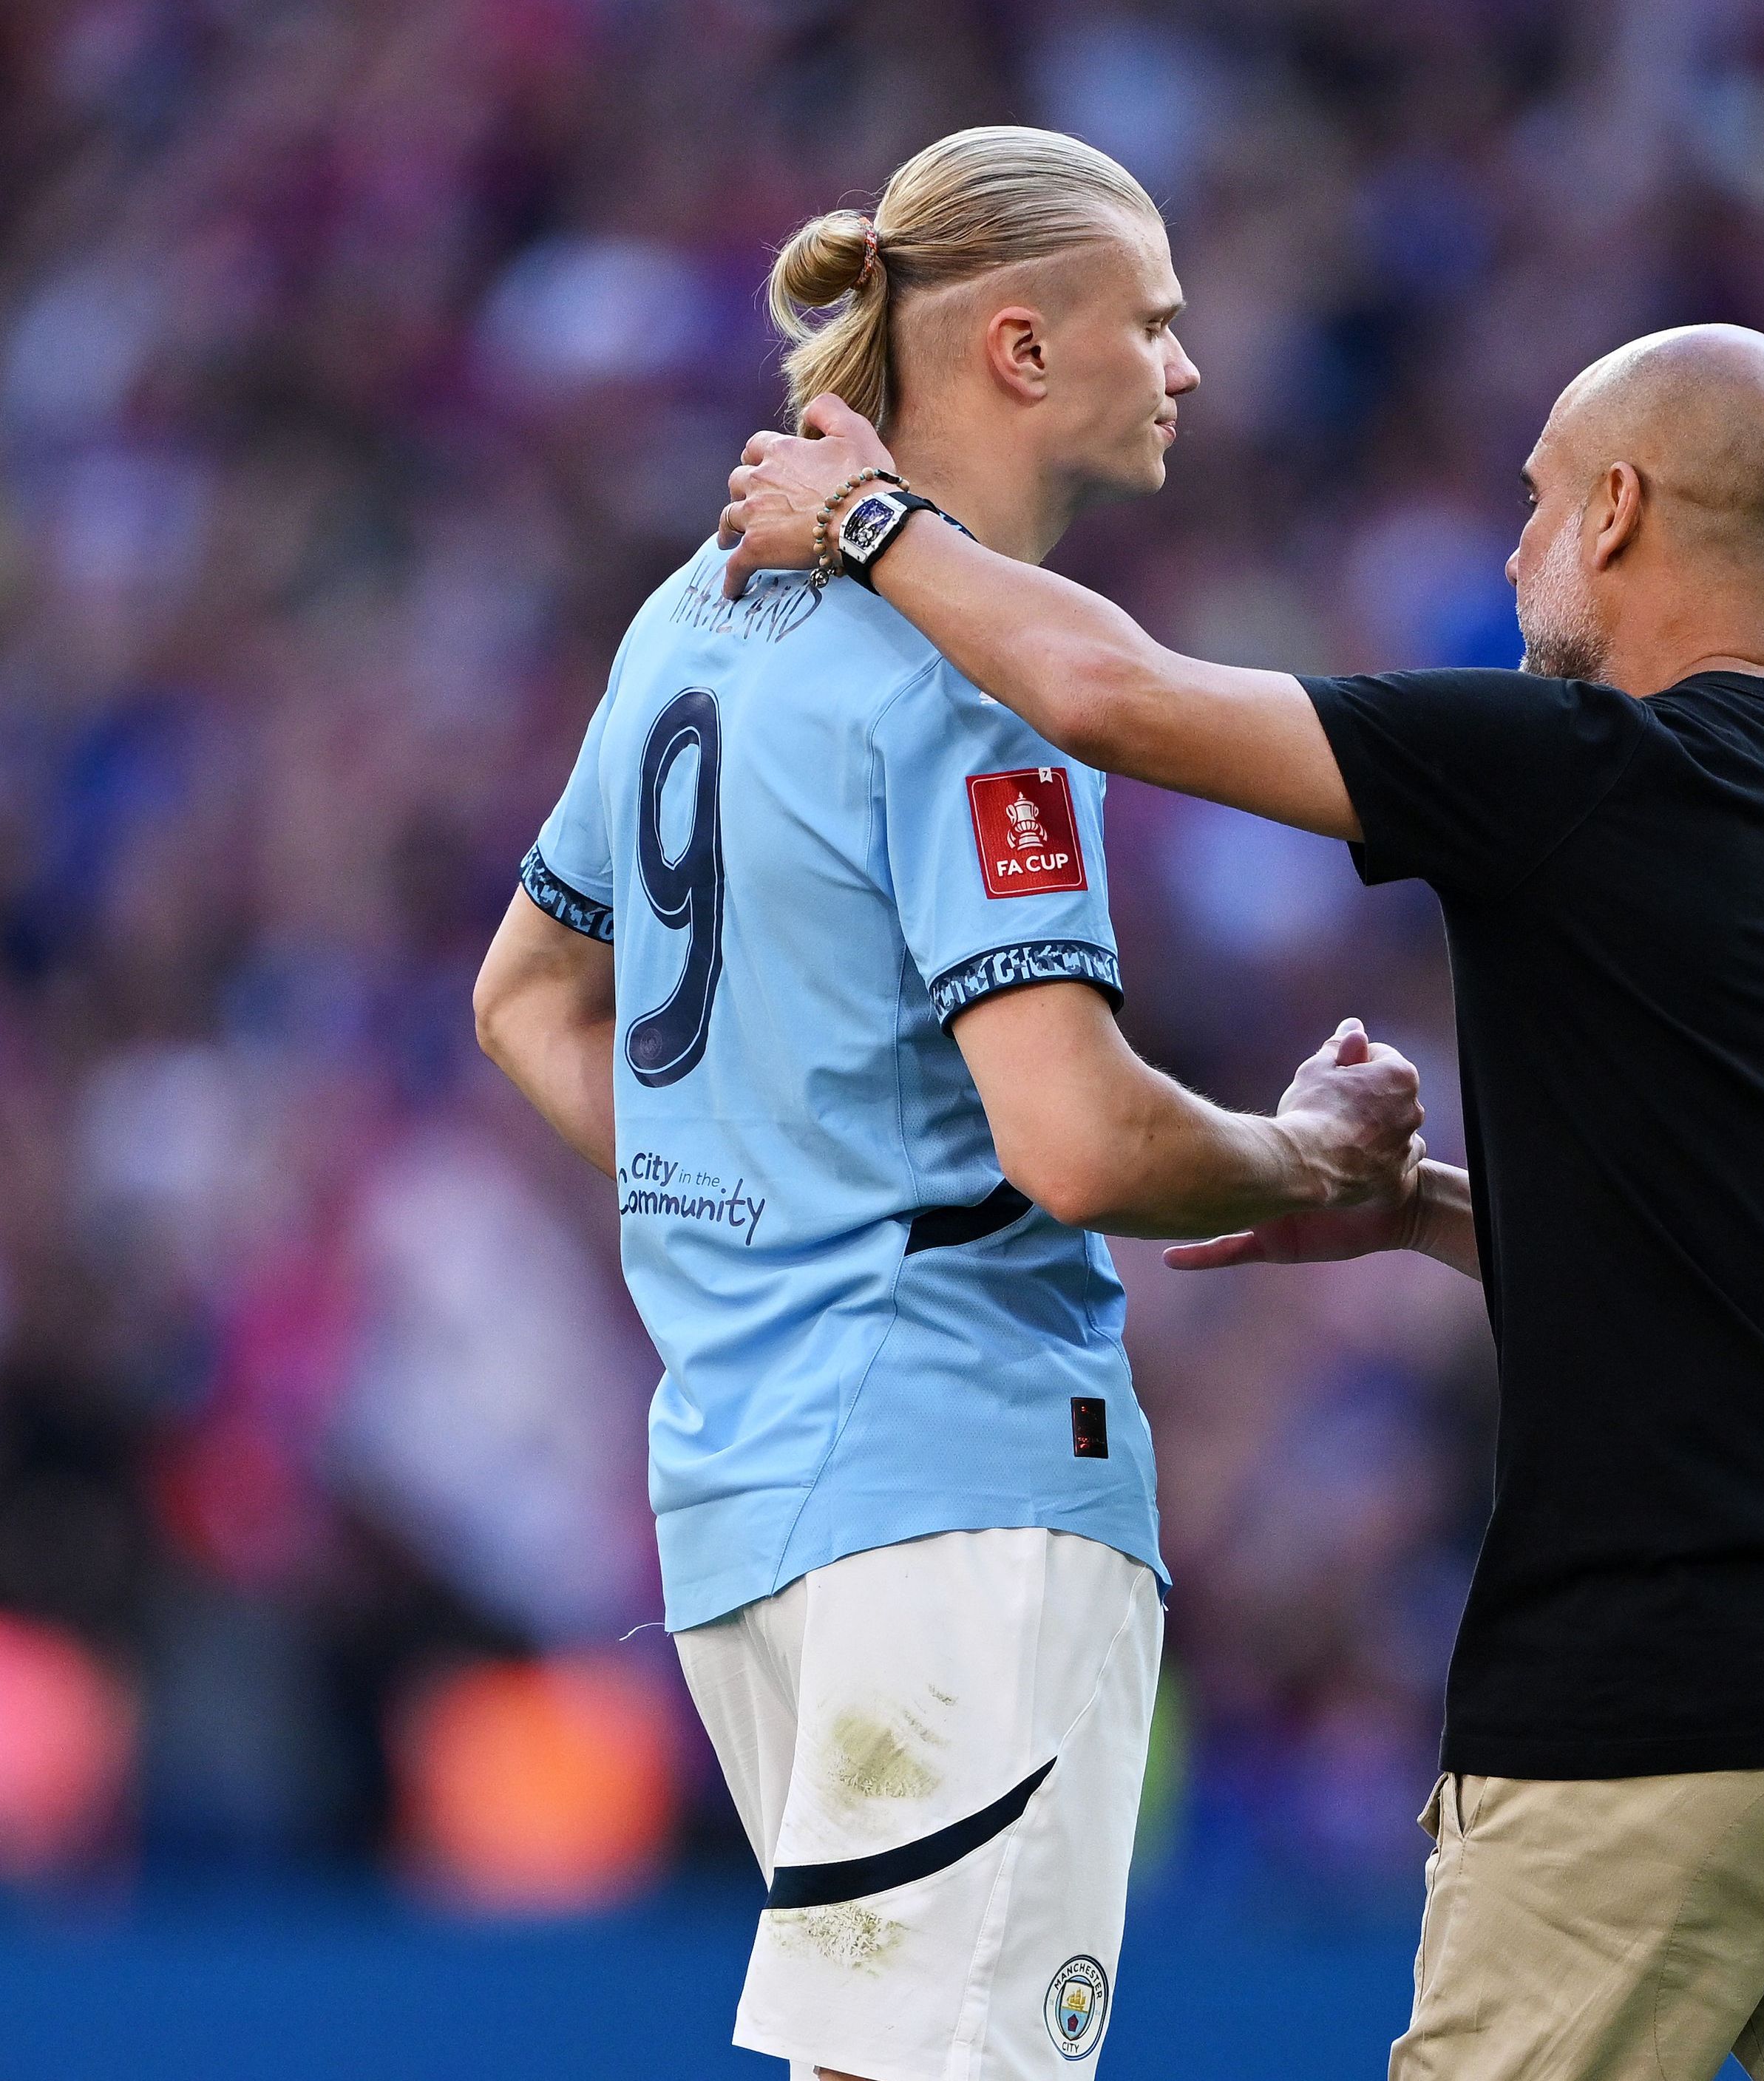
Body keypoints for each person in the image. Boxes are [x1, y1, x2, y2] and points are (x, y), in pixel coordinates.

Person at [710, 324, 1764, 2080]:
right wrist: (1424, 1205)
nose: (1507, 554)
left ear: (1617, 509)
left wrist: (871, 518)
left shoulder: (1572, 769)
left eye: (1527, 506)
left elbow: (1113, 697)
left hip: (1663, 1701)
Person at [469, 127, 1425, 2081]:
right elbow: (1072, 1141)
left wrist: (750, 1206)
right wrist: (1302, 1160)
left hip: (740, 1493)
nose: (1183, 368)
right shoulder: (974, 681)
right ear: (1013, 347)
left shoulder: (686, 617)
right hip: (957, 1482)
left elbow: (523, 1002)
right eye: (1149, 324)